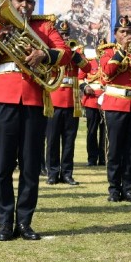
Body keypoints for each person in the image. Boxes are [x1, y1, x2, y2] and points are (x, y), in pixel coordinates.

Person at [0, 0, 71, 241]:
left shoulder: (44, 26)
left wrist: (44, 55)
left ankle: (25, 222)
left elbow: (65, 53)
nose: (25, 5)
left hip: (33, 99)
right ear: (10, 2)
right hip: (3, 98)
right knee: (2, 163)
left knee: (30, 166)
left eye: (29, 1)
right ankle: (5, 223)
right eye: (19, 0)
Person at [98, 16, 131, 204]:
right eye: (122, 32)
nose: (126, 35)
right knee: (115, 149)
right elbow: (107, 73)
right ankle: (114, 189)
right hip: (115, 104)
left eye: (128, 32)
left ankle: (129, 188)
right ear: (115, 34)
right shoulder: (107, 51)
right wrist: (122, 51)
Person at [45, 20, 91, 186]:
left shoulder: (75, 52)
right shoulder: (50, 51)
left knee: (69, 141)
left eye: (66, 34)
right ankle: (52, 173)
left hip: (72, 103)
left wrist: (75, 56)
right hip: (55, 100)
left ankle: (67, 173)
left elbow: (88, 68)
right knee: (52, 141)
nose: (64, 37)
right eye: (61, 35)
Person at [79, 54, 105, 166]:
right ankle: (92, 158)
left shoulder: (110, 62)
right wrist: (85, 87)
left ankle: (103, 158)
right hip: (92, 100)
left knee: (105, 133)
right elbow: (80, 78)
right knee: (92, 132)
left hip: (106, 100)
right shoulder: (89, 62)